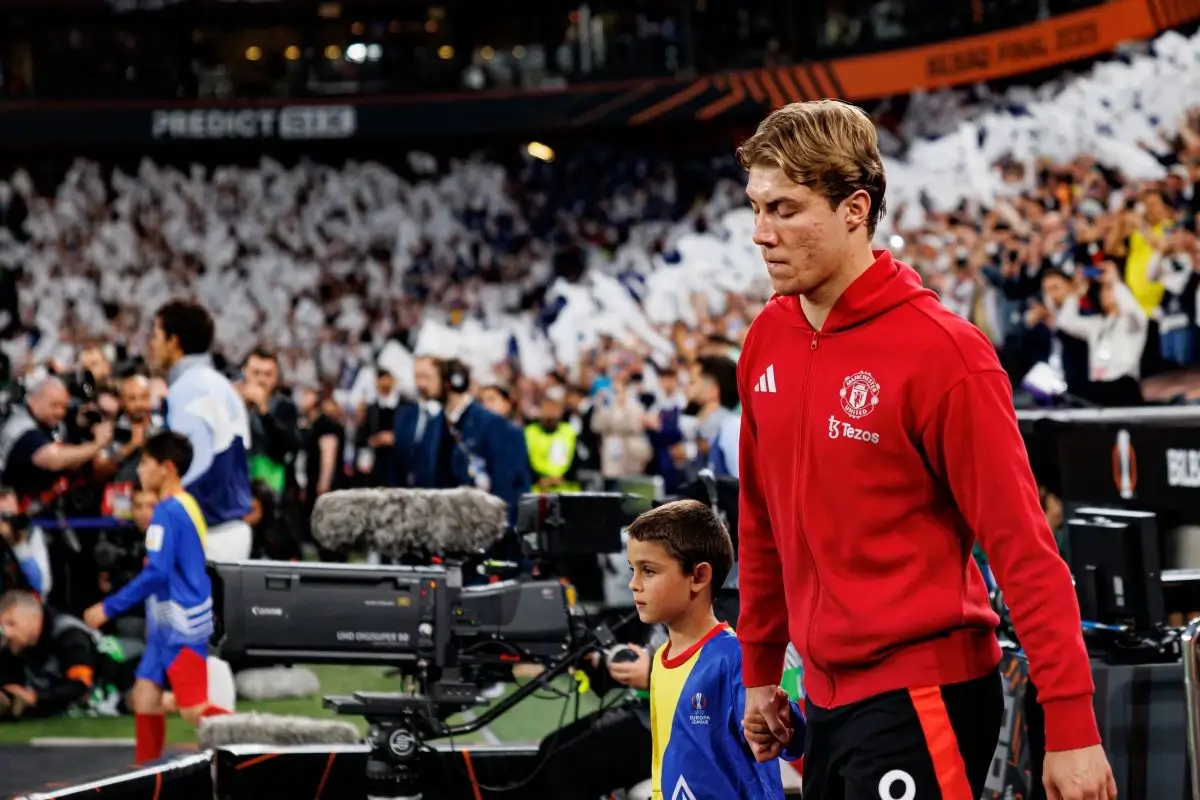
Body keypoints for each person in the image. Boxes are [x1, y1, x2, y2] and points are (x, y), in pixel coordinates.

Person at [733, 100, 1116, 800]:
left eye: (785, 210)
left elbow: (1024, 549)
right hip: (822, 698)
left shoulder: (945, 353)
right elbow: (761, 524)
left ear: (854, 208)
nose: (761, 234)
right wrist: (760, 668)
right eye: (756, 208)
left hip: (925, 694)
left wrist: (1072, 725)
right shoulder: (766, 339)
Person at [627, 499, 802, 799]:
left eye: (649, 571)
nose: (634, 584)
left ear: (698, 577)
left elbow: (790, 739)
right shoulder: (660, 659)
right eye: (633, 569)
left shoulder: (735, 658)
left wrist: (785, 721)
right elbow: (663, 765)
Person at [82, 432, 229, 763]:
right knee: (145, 697)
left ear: (167, 468)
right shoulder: (186, 505)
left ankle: (257, 748)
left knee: (194, 710)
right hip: (168, 623)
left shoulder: (166, 513)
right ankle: (146, 772)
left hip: (181, 624)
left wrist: (108, 607)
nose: (139, 471)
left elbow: (156, 574)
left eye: (146, 463)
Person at [149, 301, 253, 562]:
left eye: (156, 335)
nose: (152, 344)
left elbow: (193, 462)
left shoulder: (190, 387)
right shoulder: (215, 383)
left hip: (206, 531)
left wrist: (167, 509)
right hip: (224, 528)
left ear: (174, 341)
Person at [0, 591, 107, 719]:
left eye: (12, 624)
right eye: (2, 626)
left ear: (34, 618)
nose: (6, 632)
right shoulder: (15, 645)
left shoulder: (69, 635)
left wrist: (36, 698)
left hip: (105, 702)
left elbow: (80, 684)